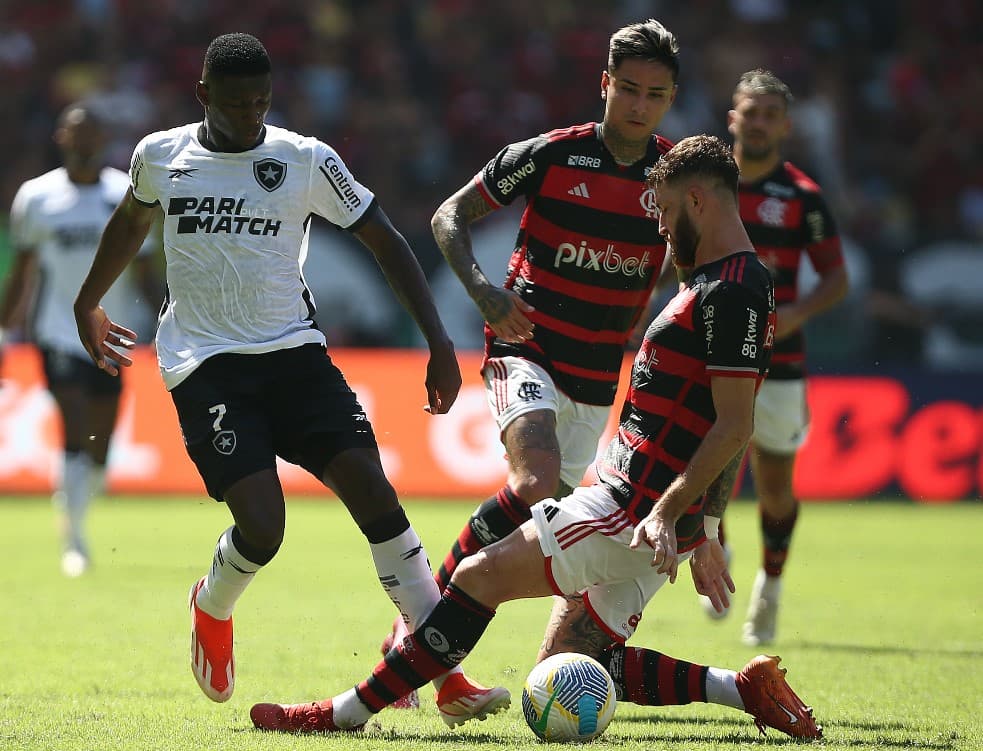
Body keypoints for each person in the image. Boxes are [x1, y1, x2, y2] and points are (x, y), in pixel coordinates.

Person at [249, 135, 822, 741]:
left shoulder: (730, 292)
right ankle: (744, 689)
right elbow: (727, 417)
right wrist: (701, 529)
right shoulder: (723, 280)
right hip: (655, 517)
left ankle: (343, 715)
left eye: (665, 208)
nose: (658, 225)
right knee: (571, 668)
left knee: (475, 577)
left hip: (631, 508)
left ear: (700, 200)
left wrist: (669, 512)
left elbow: (736, 424)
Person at [72, 32, 507, 723]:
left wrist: (435, 340)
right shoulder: (161, 155)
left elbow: (384, 238)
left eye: (262, 103)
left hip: (294, 354)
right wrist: (88, 299)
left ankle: (444, 671)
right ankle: (211, 605)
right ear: (203, 96)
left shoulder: (304, 159)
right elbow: (130, 222)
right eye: (238, 104)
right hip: (205, 364)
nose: (252, 116)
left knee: (372, 489)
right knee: (264, 528)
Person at [697, 70, 848, 646]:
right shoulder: (709, 184)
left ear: (784, 125)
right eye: (748, 111)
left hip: (778, 361)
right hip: (709, 351)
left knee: (775, 486)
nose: (756, 122)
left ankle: (771, 587)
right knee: (705, 462)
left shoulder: (803, 197)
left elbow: (836, 277)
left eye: (768, 114)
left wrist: (795, 316)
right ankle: (715, 543)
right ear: (731, 117)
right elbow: (675, 251)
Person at [0, 102, 162, 578]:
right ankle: (74, 539)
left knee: (99, 450)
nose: (86, 140)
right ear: (61, 139)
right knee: (73, 428)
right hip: (56, 330)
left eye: (93, 132)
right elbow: (23, 272)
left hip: (112, 338)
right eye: (77, 132)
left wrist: (170, 317)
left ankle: (74, 502)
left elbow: (147, 269)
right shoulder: (37, 197)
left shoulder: (125, 193)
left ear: (104, 139)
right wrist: (6, 328)